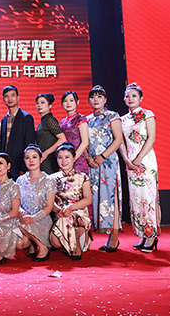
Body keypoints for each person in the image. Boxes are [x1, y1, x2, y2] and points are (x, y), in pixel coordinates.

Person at [119, 83, 161, 253]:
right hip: (130, 162)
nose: (130, 99)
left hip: (145, 161)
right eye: (127, 96)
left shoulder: (147, 115)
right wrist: (127, 160)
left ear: (141, 98)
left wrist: (139, 158)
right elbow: (121, 142)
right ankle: (144, 234)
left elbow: (151, 138)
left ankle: (152, 236)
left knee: (148, 198)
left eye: (134, 96)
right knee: (137, 199)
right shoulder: (122, 119)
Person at [86, 85, 123, 252]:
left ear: (105, 100)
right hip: (92, 164)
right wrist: (88, 158)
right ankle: (105, 236)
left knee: (110, 198)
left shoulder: (113, 116)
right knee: (97, 199)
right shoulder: (86, 119)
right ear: (88, 100)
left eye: (99, 96)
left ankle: (114, 237)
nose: (96, 99)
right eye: (93, 97)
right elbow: (84, 142)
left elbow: (118, 140)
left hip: (108, 163)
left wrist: (102, 156)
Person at [50, 143, 93, 261]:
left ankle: (75, 246)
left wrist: (70, 208)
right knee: (54, 242)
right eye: (60, 157)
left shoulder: (83, 177)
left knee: (67, 217)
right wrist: (58, 210)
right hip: (60, 213)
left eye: (67, 157)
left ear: (74, 158)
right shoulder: (51, 178)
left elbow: (88, 199)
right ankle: (74, 241)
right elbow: (50, 201)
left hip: (78, 213)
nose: (64, 161)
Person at [15, 144, 56, 262]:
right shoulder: (20, 180)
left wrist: (33, 218)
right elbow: (16, 203)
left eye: (34, 157)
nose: (31, 160)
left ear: (41, 159)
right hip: (24, 218)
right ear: (24, 160)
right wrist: (21, 212)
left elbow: (49, 207)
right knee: (19, 243)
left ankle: (42, 247)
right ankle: (33, 243)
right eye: (27, 158)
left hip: (41, 219)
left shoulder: (49, 180)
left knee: (20, 221)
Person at [0, 85, 36, 180]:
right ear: (3, 99)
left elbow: (29, 144)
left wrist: (24, 167)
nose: (10, 99)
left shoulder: (26, 117)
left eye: (12, 95)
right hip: (6, 168)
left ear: (18, 98)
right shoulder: (4, 120)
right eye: (6, 96)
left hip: (19, 167)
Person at [35, 93, 67, 174]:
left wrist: (46, 153)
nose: (39, 105)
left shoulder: (49, 120)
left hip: (49, 160)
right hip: (43, 160)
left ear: (50, 106)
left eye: (42, 102)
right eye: (37, 103)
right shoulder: (43, 121)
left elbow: (63, 139)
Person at [59, 91, 89, 175]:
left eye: (71, 100)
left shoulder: (80, 119)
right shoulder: (62, 122)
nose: (68, 103)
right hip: (65, 160)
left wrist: (73, 158)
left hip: (78, 158)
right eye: (65, 101)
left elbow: (85, 142)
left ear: (77, 102)